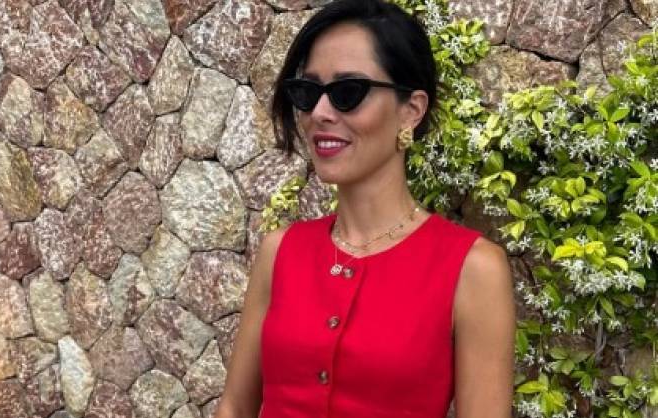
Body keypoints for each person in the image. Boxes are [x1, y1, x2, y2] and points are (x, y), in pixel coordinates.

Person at [214, 0, 515, 417]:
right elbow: (234, 407)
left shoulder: (472, 269)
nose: (320, 113)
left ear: (411, 111)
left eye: (347, 93)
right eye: (308, 93)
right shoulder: (281, 252)